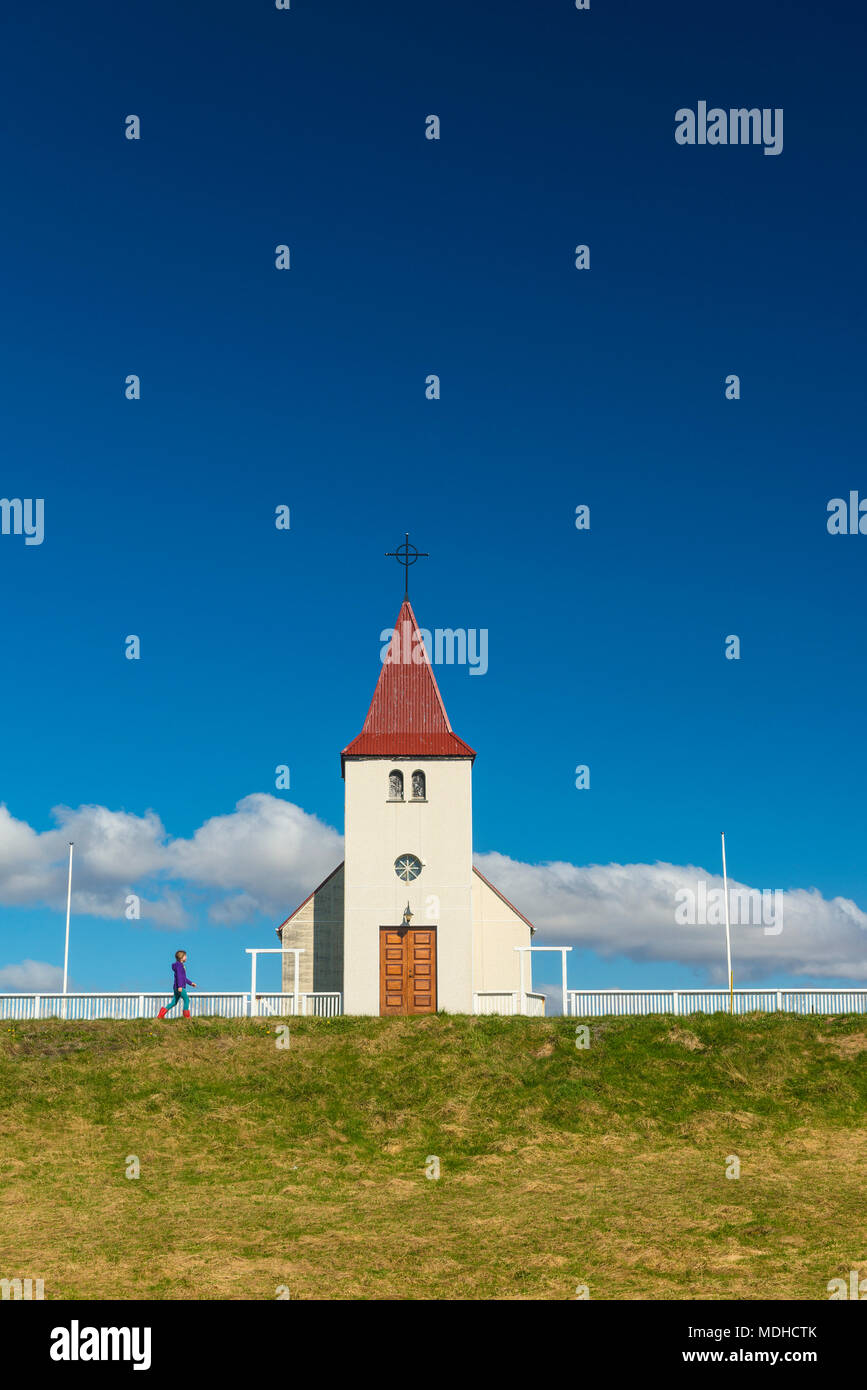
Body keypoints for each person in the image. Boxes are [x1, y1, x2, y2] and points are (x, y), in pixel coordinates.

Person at [157, 950, 197, 1019]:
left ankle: (161, 1014)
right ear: (181, 957)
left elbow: (183, 977)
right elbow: (179, 976)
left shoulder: (180, 965)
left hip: (176, 987)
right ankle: (187, 1016)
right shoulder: (179, 965)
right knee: (187, 1000)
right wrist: (180, 986)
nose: (186, 957)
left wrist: (191, 983)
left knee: (174, 1002)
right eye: (185, 956)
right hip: (180, 987)